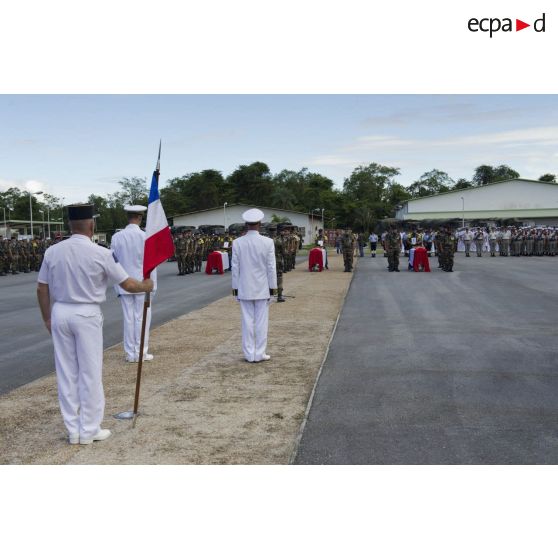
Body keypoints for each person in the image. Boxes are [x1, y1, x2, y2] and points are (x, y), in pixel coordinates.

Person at [37, 204, 153, 445]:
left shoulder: (53, 251)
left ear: (70, 225)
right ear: (92, 225)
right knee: (90, 372)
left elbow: (41, 287)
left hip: (60, 312)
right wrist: (146, 286)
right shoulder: (101, 253)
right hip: (86, 314)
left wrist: (47, 317)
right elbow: (128, 285)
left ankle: (73, 430)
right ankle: (89, 429)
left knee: (67, 372)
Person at [110, 205, 157, 363]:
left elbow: (113, 262)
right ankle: (141, 352)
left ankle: (130, 354)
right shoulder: (145, 237)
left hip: (124, 283)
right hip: (143, 283)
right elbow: (152, 264)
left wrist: (117, 284)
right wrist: (152, 285)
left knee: (128, 319)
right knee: (142, 319)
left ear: (128, 217)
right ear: (140, 218)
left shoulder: (117, 237)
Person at [231, 208, 277, 363]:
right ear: (260, 224)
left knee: (247, 322)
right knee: (261, 322)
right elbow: (271, 268)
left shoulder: (237, 242)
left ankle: (249, 354)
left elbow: (235, 268)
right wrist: (273, 289)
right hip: (262, 288)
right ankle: (260, 353)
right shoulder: (268, 242)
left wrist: (235, 289)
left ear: (246, 224)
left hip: (244, 288)